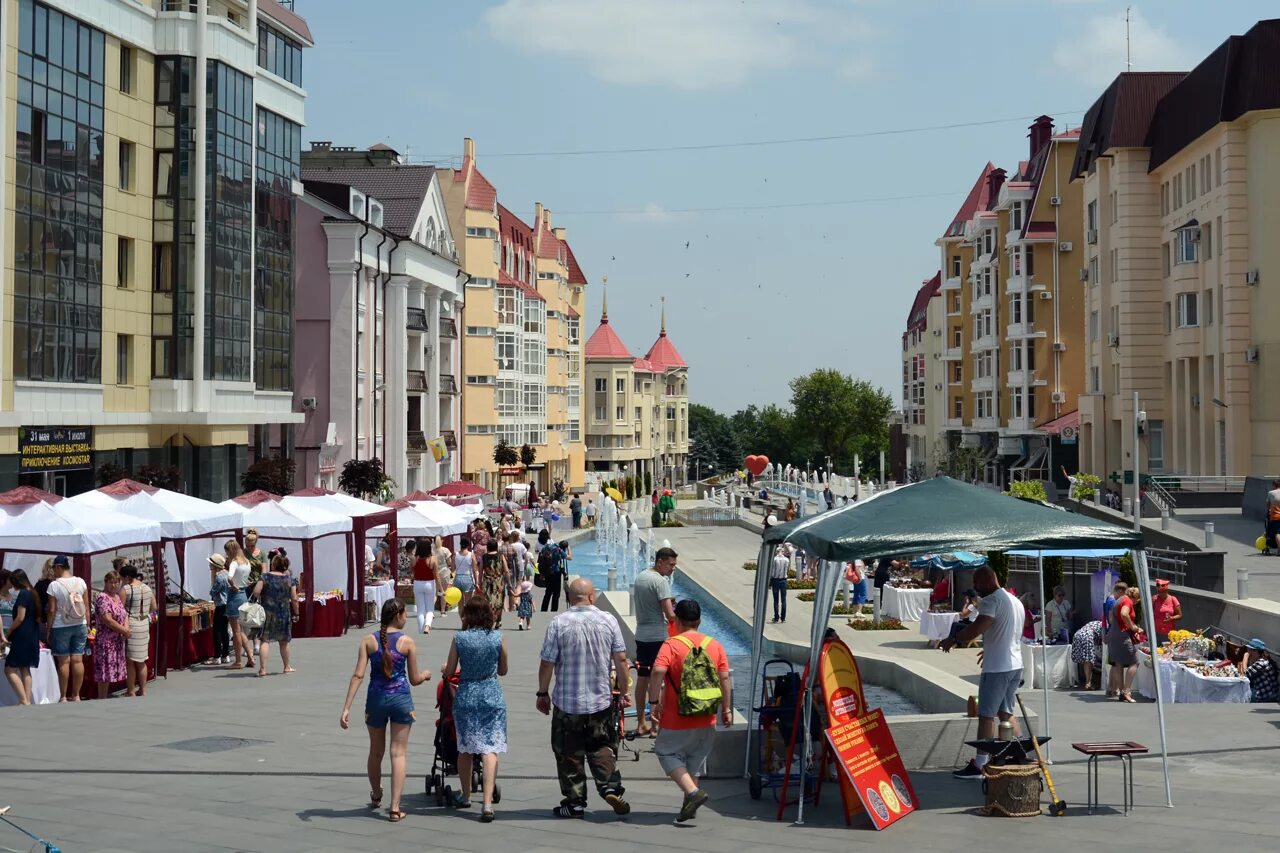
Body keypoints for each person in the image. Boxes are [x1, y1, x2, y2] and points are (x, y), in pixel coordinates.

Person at [536, 578, 632, 819]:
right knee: (601, 746)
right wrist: (624, 691)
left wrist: (542, 692)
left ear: (569, 598)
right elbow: (621, 659)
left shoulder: (559, 623)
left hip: (568, 702)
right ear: (592, 597)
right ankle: (609, 786)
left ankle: (575, 801)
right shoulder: (608, 620)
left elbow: (547, 662)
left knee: (569, 752)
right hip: (600, 700)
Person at [340, 599, 431, 822]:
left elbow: (358, 675)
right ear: (398, 615)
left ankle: (376, 793)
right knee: (398, 753)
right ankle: (395, 807)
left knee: (375, 752)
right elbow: (414, 679)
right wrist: (426, 675)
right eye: (404, 614)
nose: (406, 618)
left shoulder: (368, 641)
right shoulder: (408, 643)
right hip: (401, 699)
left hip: (376, 699)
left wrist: (346, 708)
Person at [648, 599, 733, 822]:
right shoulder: (715, 645)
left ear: (676, 621)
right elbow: (725, 678)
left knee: (666, 753)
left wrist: (653, 701)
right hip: (707, 715)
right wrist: (727, 709)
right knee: (692, 765)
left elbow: (658, 671)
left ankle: (694, 794)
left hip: (677, 716)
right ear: (700, 621)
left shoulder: (672, 645)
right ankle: (690, 807)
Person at [941, 567, 1024, 779]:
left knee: (986, 715)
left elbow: (978, 626)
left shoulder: (991, 600)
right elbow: (1008, 629)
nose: (975, 589)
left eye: (977, 583)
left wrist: (954, 638)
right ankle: (1016, 754)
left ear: (987, 581)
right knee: (1006, 712)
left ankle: (980, 764)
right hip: (1015, 663)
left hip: (997, 667)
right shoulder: (1014, 600)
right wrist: (991, 647)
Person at [444, 594, 509, 819]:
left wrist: (446, 669)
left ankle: (466, 795)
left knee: (466, 748)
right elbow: (503, 670)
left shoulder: (459, 638)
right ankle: (488, 803)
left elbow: (450, 671)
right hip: (491, 694)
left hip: (467, 695)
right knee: (490, 748)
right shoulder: (498, 638)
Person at [632, 547, 678, 737]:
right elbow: (669, 614)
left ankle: (642, 722)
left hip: (642, 635)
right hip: (658, 637)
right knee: (659, 681)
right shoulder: (660, 581)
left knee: (642, 679)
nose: (673, 569)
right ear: (660, 562)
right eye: (671, 564)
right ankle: (656, 726)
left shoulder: (641, 577)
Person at [44, 555, 89, 702]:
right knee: (78, 660)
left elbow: (51, 609)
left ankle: (63, 696)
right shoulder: (81, 582)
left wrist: (48, 628)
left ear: (58, 567)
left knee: (64, 662)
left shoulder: (54, 585)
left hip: (61, 625)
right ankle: (76, 695)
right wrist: (87, 624)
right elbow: (87, 607)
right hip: (80, 623)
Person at [254, 553, 299, 677]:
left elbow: (256, 592)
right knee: (284, 642)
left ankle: (263, 669)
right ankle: (286, 666)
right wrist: (297, 613)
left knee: (264, 640)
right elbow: (294, 598)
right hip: (283, 614)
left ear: (273, 565)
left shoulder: (265, 577)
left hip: (267, 613)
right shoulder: (289, 580)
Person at [1, 570, 40, 705]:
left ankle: (23, 699)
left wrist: (9, 631)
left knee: (10, 668)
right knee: (25, 668)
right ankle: (27, 700)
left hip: (22, 634)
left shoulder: (23, 594)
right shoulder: (33, 593)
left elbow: (20, 617)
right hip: (32, 633)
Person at [117, 563, 154, 697]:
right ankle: (143, 689)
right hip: (144, 623)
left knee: (131, 661)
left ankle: (131, 690)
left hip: (131, 623)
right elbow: (153, 606)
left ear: (127, 577)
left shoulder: (126, 589)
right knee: (142, 660)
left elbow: (119, 610)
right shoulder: (147, 588)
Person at [92, 570, 130, 698]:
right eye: (110, 582)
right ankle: (101, 697)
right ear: (105, 583)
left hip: (117, 640)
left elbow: (124, 614)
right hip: (106, 641)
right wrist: (123, 630)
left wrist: (126, 628)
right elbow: (107, 619)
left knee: (110, 671)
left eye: (116, 582)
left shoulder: (117, 597)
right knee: (104, 672)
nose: (113, 585)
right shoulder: (102, 598)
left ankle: (105, 696)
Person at [1106, 586, 1142, 702]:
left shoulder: (1119, 600)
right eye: (1137, 601)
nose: (1136, 603)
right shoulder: (1127, 601)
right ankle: (1126, 691)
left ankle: (1122, 692)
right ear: (1135, 597)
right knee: (1135, 662)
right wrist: (1133, 627)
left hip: (1113, 633)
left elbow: (1111, 618)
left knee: (1118, 663)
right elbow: (1124, 614)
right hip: (1122, 635)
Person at [224, 539, 255, 670]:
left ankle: (238, 661)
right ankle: (250, 657)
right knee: (241, 630)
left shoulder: (234, 563)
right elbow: (247, 579)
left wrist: (233, 586)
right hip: (244, 595)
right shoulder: (247, 562)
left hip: (235, 595)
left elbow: (229, 578)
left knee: (236, 631)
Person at [411, 538, 439, 635]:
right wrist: (441, 589)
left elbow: (412, 572)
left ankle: (420, 631)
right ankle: (427, 626)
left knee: (420, 609)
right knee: (430, 608)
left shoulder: (414, 559)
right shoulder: (433, 559)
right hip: (429, 583)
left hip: (418, 583)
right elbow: (437, 576)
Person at [481, 540, 510, 629]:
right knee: (499, 602)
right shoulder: (501, 556)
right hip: (498, 582)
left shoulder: (484, 557)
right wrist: (509, 583)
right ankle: (498, 620)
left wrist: (479, 582)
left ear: (488, 547)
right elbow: (506, 570)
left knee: (487, 601)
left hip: (487, 581)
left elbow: (480, 569)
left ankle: (488, 620)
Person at [208, 554, 231, 664]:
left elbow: (213, 591)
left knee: (217, 630)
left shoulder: (219, 577)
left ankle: (217, 656)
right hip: (228, 604)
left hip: (221, 605)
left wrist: (213, 578)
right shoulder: (227, 573)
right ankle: (225, 655)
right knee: (224, 631)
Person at [1071, 620, 1105, 690]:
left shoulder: (1095, 622)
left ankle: (1085, 680)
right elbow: (1103, 639)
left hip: (1078, 634)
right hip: (1087, 635)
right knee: (1088, 660)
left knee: (1084, 659)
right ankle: (1088, 682)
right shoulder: (1104, 625)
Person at [538, 537, 568, 613]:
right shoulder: (559, 550)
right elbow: (569, 557)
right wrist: (569, 549)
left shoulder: (547, 547)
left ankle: (543, 609)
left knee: (548, 592)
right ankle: (554, 610)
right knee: (556, 593)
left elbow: (540, 558)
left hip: (547, 572)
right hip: (556, 572)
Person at [769, 546, 790, 624]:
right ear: (783, 552)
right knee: (783, 599)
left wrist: (770, 582)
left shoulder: (774, 559)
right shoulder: (786, 560)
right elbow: (787, 570)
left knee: (776, 600)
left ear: (776, 552)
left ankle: (776, 617)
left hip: (775, 580)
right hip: (783, 580)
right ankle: (783, 617)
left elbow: (772, 571)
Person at [1267, 480, 1280, 554]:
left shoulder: (1271, 493)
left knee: (1277, 533)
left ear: (1274, 485)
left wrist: (1268, 511)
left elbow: (1268, 504)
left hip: (1276, 516)